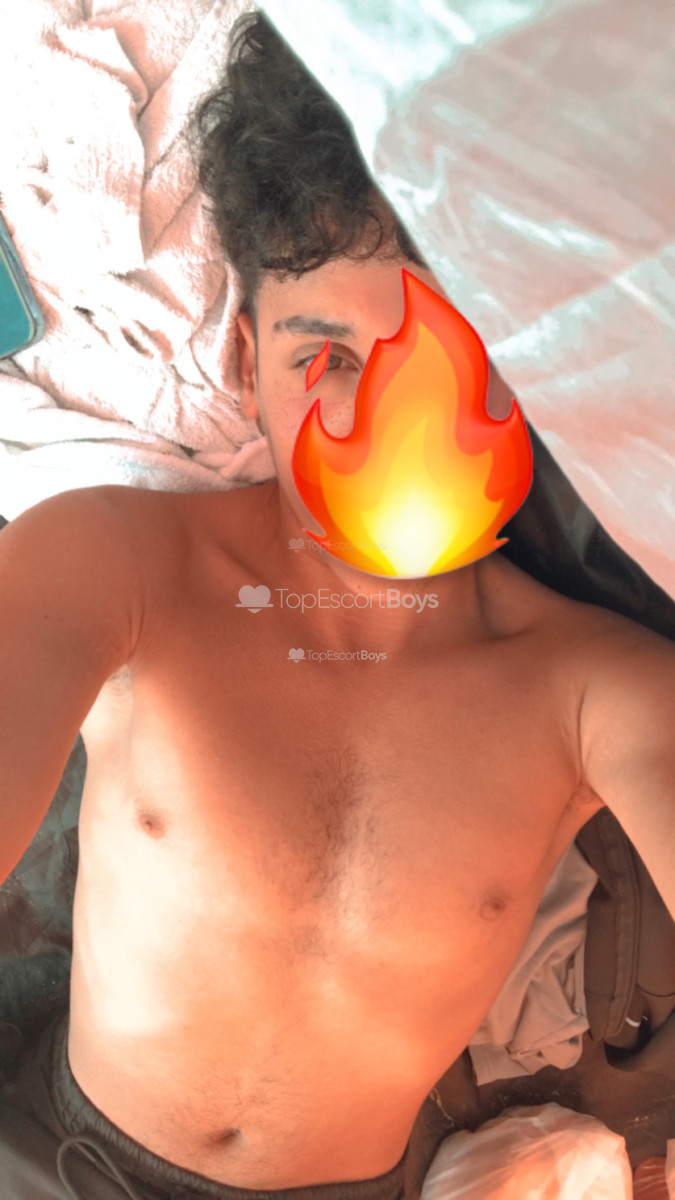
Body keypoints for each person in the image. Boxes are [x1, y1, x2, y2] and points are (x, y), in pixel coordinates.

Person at [0, 9, 673, 1200]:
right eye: (327, 359)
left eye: (450, 364)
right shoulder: (116, 561)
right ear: (245, 363)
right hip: (59, 1162)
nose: (387, 426)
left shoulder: (592, 689)